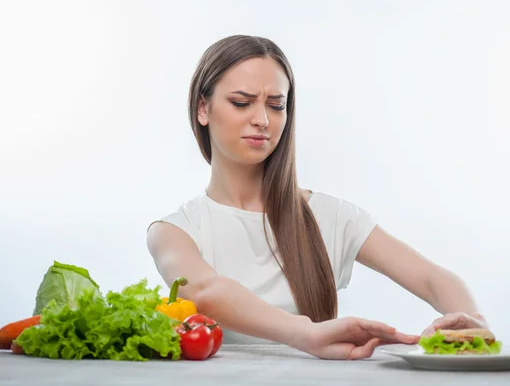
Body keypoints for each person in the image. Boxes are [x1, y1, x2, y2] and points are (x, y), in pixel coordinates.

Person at [146, 35, 491, 360]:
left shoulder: (333, 217)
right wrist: (305, 333)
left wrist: (472, 321)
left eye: (276, 105)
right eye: (241, 102)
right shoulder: (175, 231)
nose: (263, 120)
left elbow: (433, 278)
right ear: (202, 109)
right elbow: (207, 292)